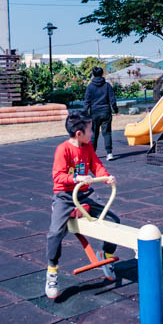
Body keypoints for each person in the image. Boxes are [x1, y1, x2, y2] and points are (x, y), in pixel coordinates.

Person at [45, 111, 120, 300]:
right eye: (90, 130)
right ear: (79, 133)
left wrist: (106, 177)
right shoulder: (63, 150)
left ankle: (106, 254)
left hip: (84, 194)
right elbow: (58, 176)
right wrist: (77, 177)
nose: (92, 133)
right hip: (65, 196)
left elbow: (96, 165)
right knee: (55, 232)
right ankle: (52, 271)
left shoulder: (87, 147)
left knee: (114, 220)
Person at [84, 66, 118, 161]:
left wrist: (84, 113)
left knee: (94, 134)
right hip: (106, 112)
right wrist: (116, 110)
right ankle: (109, 153)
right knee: (107, 133)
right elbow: (113, 100)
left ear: (93, 74)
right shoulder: (107, 85)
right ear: (102, 74)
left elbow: (87, 101)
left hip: (94, 113)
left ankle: (92, 154)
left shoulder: (90, 87)